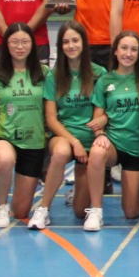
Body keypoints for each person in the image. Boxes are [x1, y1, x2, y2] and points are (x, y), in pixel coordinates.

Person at [27, 21, 107, 232]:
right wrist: (74, 142)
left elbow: (104, 109)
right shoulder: (54, 76)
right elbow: (51, 119)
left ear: (84, 43)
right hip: (64, 136)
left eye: (75, 40)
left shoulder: (99, 73)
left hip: (90, 139)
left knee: (80, 212)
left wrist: (98, 130)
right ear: (60, 46)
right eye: (65, 42)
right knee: (61, 152)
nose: (70, 46)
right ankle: (43, 209)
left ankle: (81, 194)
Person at [0, 22, 47, 229]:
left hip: (34, 142)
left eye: (24, 42)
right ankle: (1, 206)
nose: (20, 46)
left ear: (32, 45)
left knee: (20, 212)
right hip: (5, 135)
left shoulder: (44, 73)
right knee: (4, 160)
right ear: (6, 45)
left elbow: (53, 105)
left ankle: (13, 206)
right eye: (14, 42)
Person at [85, 30, 139, 225]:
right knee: (96, 152)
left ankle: (138, 197)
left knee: (131, 213)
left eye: (133, 49)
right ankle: (96, 211)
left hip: (138, 148)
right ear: (115, 51)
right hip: (114, 144)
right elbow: (98, 115)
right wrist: (100, 134)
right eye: (124, 48)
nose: (128, 53)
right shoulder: (106, 80)